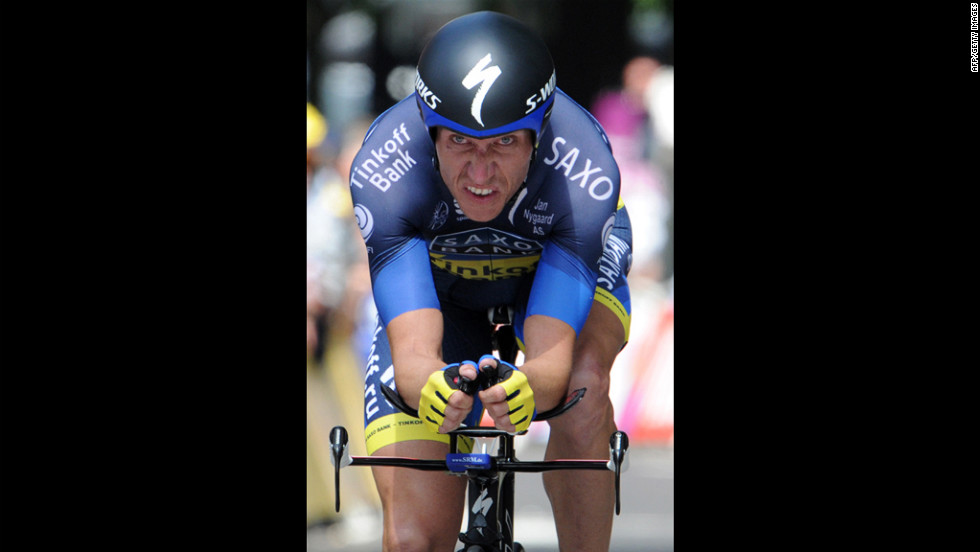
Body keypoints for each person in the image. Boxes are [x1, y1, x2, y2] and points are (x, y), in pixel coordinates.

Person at [348, 11, 633, 552]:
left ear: (540, 134)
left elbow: (551, 362)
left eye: (503, 145)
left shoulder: (584, 171)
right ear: (429, 130)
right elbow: (412, 357)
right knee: (412, 540)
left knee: (584, 383)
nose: (480, 174)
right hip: (442, 295)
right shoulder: (385, 171)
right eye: (459, 142)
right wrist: (430, 390)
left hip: (546, 282)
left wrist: (531, 388)